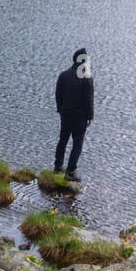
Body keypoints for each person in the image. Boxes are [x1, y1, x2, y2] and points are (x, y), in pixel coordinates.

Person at [54, 48, 94, 181]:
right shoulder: (86, 77)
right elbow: (88, 99)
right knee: (77, 144)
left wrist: (60, 109)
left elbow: (58, 94)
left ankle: (58, 166)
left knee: (63, 140)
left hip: (65, 114)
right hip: (80, 116)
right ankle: (70, 172)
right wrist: (90, 116)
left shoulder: (63, 75)